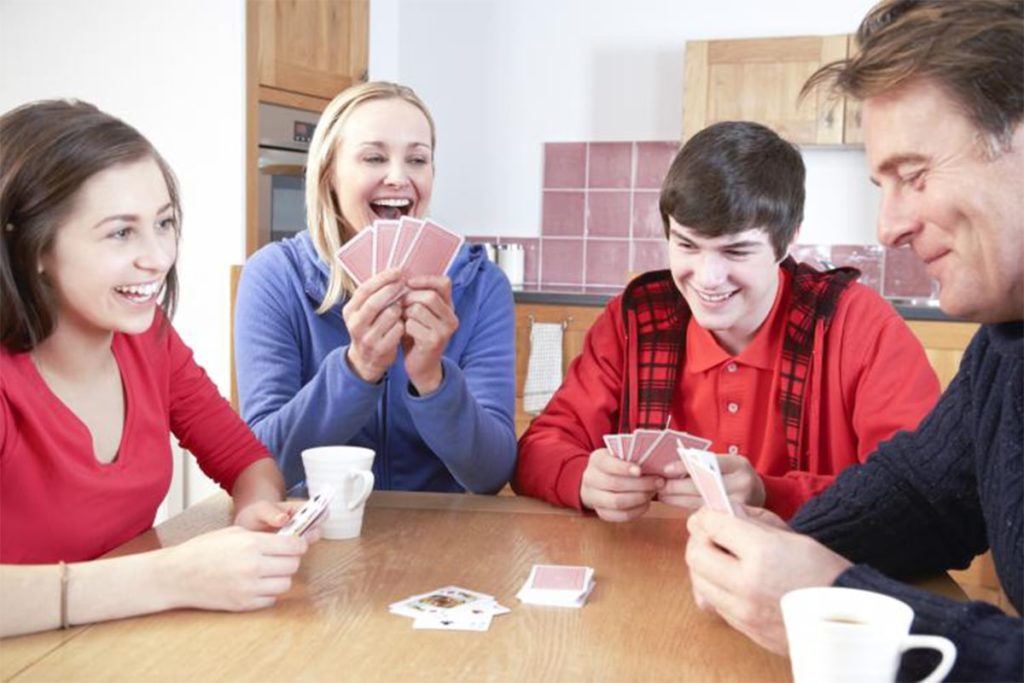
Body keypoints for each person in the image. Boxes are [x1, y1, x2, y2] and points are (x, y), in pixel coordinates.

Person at [684, 1, 1023, 680]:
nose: (888, 225)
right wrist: (781, 547)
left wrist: (840, 607)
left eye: (914, 175)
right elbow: (921, 490)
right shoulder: (1003, 344)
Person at [0, 100, 317, 639]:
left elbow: (247, 461)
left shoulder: (150, 344)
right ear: (33, 247)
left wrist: (256, 513)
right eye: (121, 233)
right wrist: (171, 577)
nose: (158, 257)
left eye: (164, 223)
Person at [514, 120, 940, 520]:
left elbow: (921, 498)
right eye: (686, 245)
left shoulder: (859, 325)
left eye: (736, 252)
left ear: (788, 239)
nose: (707, 278)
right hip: (650, 571)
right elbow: (537, 451)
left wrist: (768, 494)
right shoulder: (633, 321)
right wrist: (583, 478)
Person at [235, 81, 516, 495]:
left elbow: (491, 474)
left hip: (446, 542)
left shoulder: (481, 285)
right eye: (374, 157)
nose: (399, 177)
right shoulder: (275, 278)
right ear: (329, 173)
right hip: (315, 537)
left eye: (418, 159)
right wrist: (358, 368)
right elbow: (263, 468)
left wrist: (432, 378)